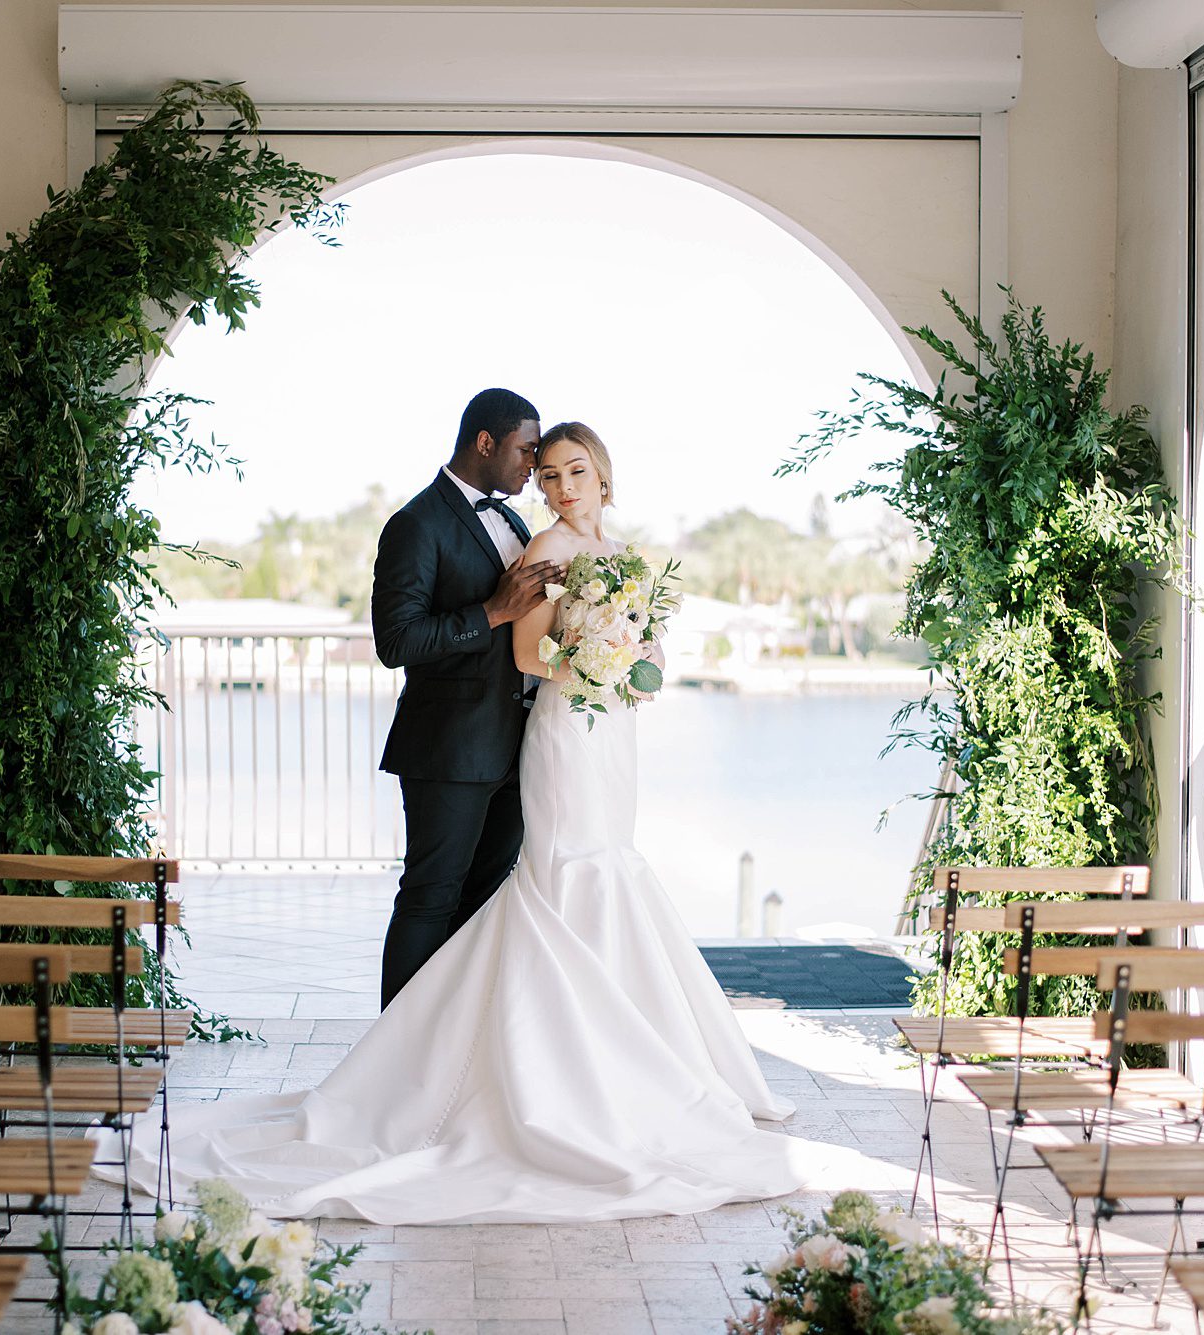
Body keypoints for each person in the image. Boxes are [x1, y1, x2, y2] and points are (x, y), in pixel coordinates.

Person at [95, 420, 852, 1224]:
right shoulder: (542, 549)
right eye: (550, 472)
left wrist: (641, 663)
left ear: (603, 475)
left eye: (575, 472)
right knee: (554, 879)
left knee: (611, 869)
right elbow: (530, 654)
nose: (562, 486)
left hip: (614, 740)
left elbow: (652, 645)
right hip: (564, 731)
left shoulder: (625, 553)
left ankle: (629, 1064)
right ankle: (495, 1073)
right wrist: (588, 666)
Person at [369, 388, 565, 1007]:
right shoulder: (415, 524)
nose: (532, 465)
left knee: (484, 902)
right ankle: (393, 1058)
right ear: (486, 442)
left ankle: (448, 1048)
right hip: (449, 749)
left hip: (519, 748)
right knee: (431, 897)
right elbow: (395, 639)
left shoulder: (514, 522)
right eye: (525, 450)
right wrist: (492, 611)